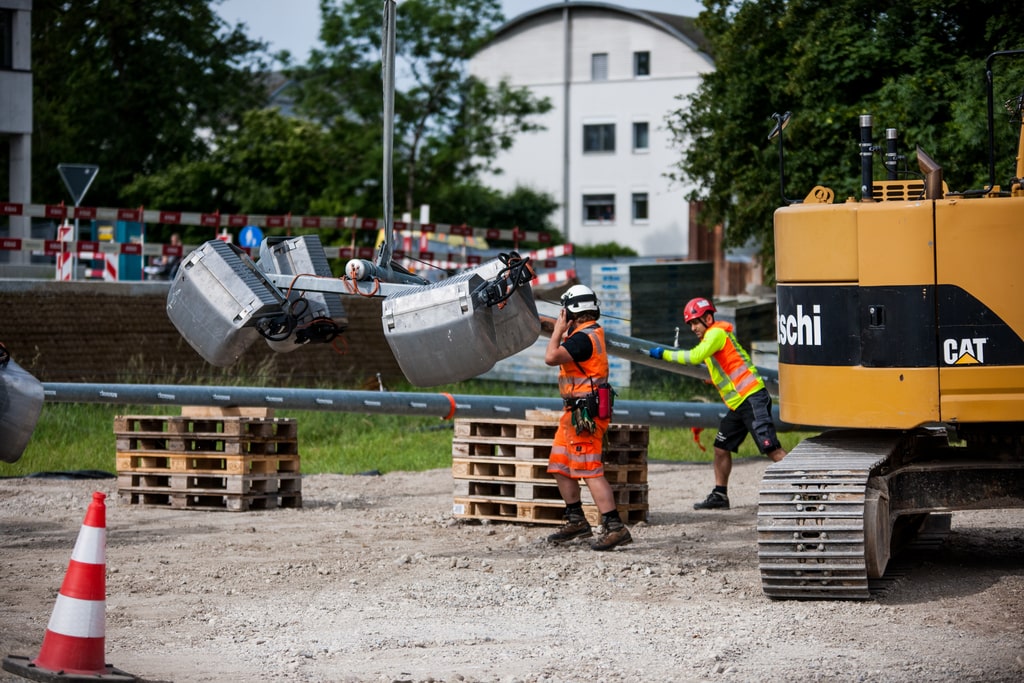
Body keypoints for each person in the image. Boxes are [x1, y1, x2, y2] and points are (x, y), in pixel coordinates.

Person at [649, 297, 786, 510]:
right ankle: (720, 495)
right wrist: (712, 378)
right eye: (690, 324)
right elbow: (725, 365)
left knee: (772, 449)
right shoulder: (712, 338)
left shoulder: (716, 334)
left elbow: (695, 357)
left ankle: (806, 486)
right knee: (721, 447)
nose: (693, 328)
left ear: (708, 318)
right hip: (739, 404)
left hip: (751, 398)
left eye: (695, 322)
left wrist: (665, 354)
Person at [544, 284, 632, 550]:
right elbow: (559, 332)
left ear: (572, 311)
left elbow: (551, 356)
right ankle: (576, 520)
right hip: (573, 414)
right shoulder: (586, 333)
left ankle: (615, 527)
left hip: (585, 416)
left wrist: (557, 331)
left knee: (590, 471)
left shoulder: (582, 340)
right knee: (560, 466)